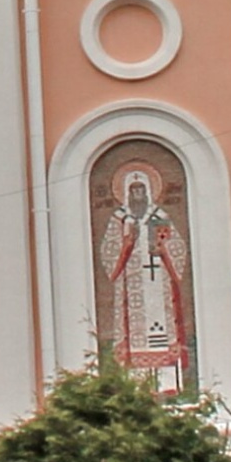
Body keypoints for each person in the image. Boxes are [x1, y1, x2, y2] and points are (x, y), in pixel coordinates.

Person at [98, 162, 192, 393]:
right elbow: (108, 253)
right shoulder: (119, 220)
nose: (137, 195)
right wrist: (126, 243)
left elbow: (177, 247)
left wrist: (162, 248)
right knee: (135, 336)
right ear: (127, 193)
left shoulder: (159, 216)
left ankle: (169, 384)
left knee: (162, 333)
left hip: (159, 285)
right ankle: (135, 387)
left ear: (148, 191)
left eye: (141, 190)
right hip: (132, 288)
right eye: (133, 191)